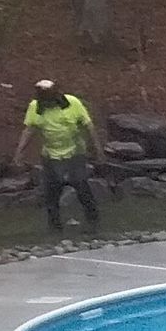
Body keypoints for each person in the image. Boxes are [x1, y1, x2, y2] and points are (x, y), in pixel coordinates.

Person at [14, 79, 104, 234]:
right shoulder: (35, 107)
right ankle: (55, 227)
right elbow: (29, 130)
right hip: (51, 154)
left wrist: (97, 149)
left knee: (80, 184)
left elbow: (88, 126)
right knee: (52, 190)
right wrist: (19, 153)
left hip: (75, 151)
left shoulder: (73, 103)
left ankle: (93, 220)